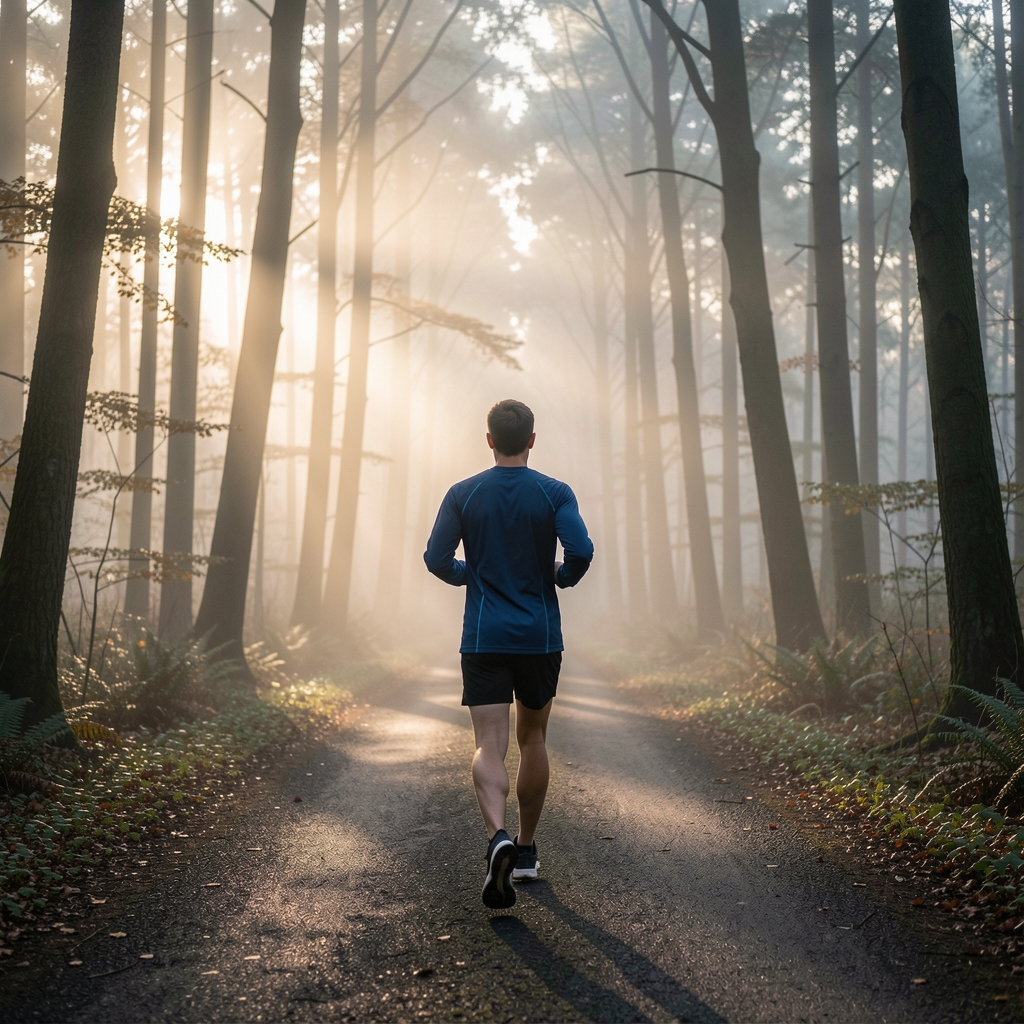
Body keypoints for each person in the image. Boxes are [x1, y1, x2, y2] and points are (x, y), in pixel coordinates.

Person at [424, 399, 594, 909]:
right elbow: (580, 550)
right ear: (532, 440)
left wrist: (468, 576)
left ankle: (496, 834)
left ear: (490, 439)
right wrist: (559, 578)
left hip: (484, 637)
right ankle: (523, 851)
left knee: (488, 743)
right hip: (539, 637)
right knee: (534, 736)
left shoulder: (463, 493)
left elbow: (436, 558)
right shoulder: (554, 492)